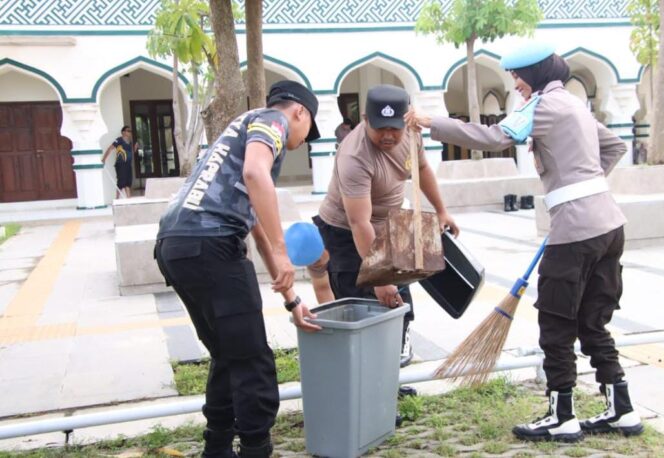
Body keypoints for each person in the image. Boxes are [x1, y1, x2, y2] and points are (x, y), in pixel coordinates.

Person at [406, 43, 643, 442]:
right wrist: (582, 190)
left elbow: (497, 136)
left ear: (534, 74)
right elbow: (615, 147)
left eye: (517, 76)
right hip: (609, 227)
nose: (515, 85)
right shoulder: (574, 106)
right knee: (593, 320)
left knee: (556, 321)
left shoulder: (544, 106)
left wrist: (433, 123)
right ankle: (622, 409)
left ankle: (562, 416)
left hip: (575, 233)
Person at [154, 80, 322, 458]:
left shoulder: (238, 130)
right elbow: (255, 174)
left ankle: (216, 447)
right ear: (299, 112)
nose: (303, 139)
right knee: (252, 359)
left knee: (229, 353)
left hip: (175, 244)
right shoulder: (272, 121)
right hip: (210, 243)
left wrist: (293, 302)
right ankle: (255, 449)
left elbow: (257, 227)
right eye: (308, 129)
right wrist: (284, 251)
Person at [314, 84, 460, 379]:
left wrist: (442, 210)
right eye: (380, 128)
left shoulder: (412, 134)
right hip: (346, 231)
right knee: (363, 309)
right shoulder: (354, 156)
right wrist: (378, 278)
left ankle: (386, 381)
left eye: (395, 128)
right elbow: (359, 223)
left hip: (389, 224)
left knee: (398, 301)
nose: (388, 136)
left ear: (406, 121)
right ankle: (361, 388)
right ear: (365, 120)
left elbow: (422, 169)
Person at [101, 125, 136, 198]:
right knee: (121, 182)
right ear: (123, 132)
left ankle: (129, 200)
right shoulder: (119, 140)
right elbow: (110, 148)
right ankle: (117, 200)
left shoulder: (130, 142)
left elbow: (131, 152)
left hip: (128, 165)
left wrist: (135, 148)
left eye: (130, 131)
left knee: (128, 183)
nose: (130, 132)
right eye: (128, 131)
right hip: (120, 164)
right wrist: (104, 159)